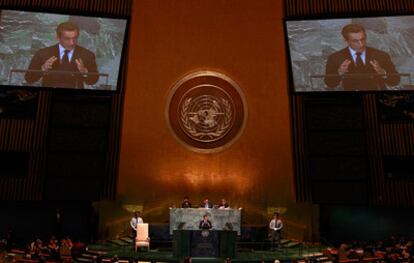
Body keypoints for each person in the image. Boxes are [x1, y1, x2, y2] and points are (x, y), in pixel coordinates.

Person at [324, 23, 400, 91]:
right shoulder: (335, 57)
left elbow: (395, 81)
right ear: (346, 40)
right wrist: (339, 73)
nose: (361, 44)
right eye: (355, 41)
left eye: (363, 39)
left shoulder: (381, 55)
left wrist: (382, 72)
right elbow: (330, 84)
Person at [25, 21, 99, 89]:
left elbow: (93, 81)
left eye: (75, 38)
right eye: (67, 39)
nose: (72, 43)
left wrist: (84, 71)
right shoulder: (43, 53)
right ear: (58, 37)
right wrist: (42, 69)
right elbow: (29, 78)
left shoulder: (87, 55)